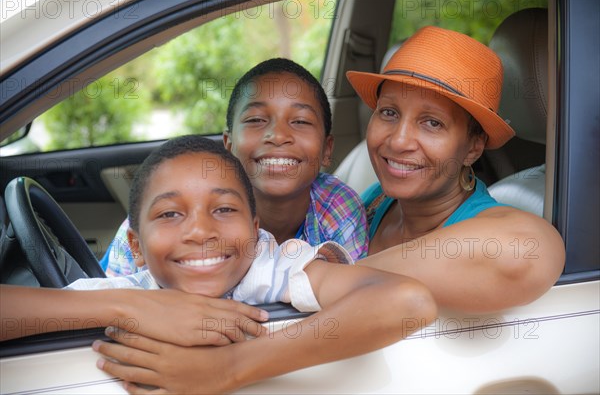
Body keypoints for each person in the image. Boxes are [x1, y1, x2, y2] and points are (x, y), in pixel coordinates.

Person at [1, 135, 437, 394]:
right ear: (134, 246)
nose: (200, 231)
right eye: (170, 214)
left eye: (224, 210)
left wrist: (228, 368)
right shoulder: (128, 294)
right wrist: (128, 308)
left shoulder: (272, 270)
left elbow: (408, 302)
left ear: (256, 230)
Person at [344, 26, 565, 312]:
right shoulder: (378, 200)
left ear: (473, 147)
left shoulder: (490, 234)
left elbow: (531, 250)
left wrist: (333, 278)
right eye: (389, 112)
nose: (398, 141)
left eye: (432, 123)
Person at [101, 58, 368, 276]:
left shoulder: (338, 207)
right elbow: (106, 306)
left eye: (300, 121)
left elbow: (349, 296)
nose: (277, 135)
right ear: (228, 145)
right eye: (256, 120)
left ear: (327, 150)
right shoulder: (165, 217)